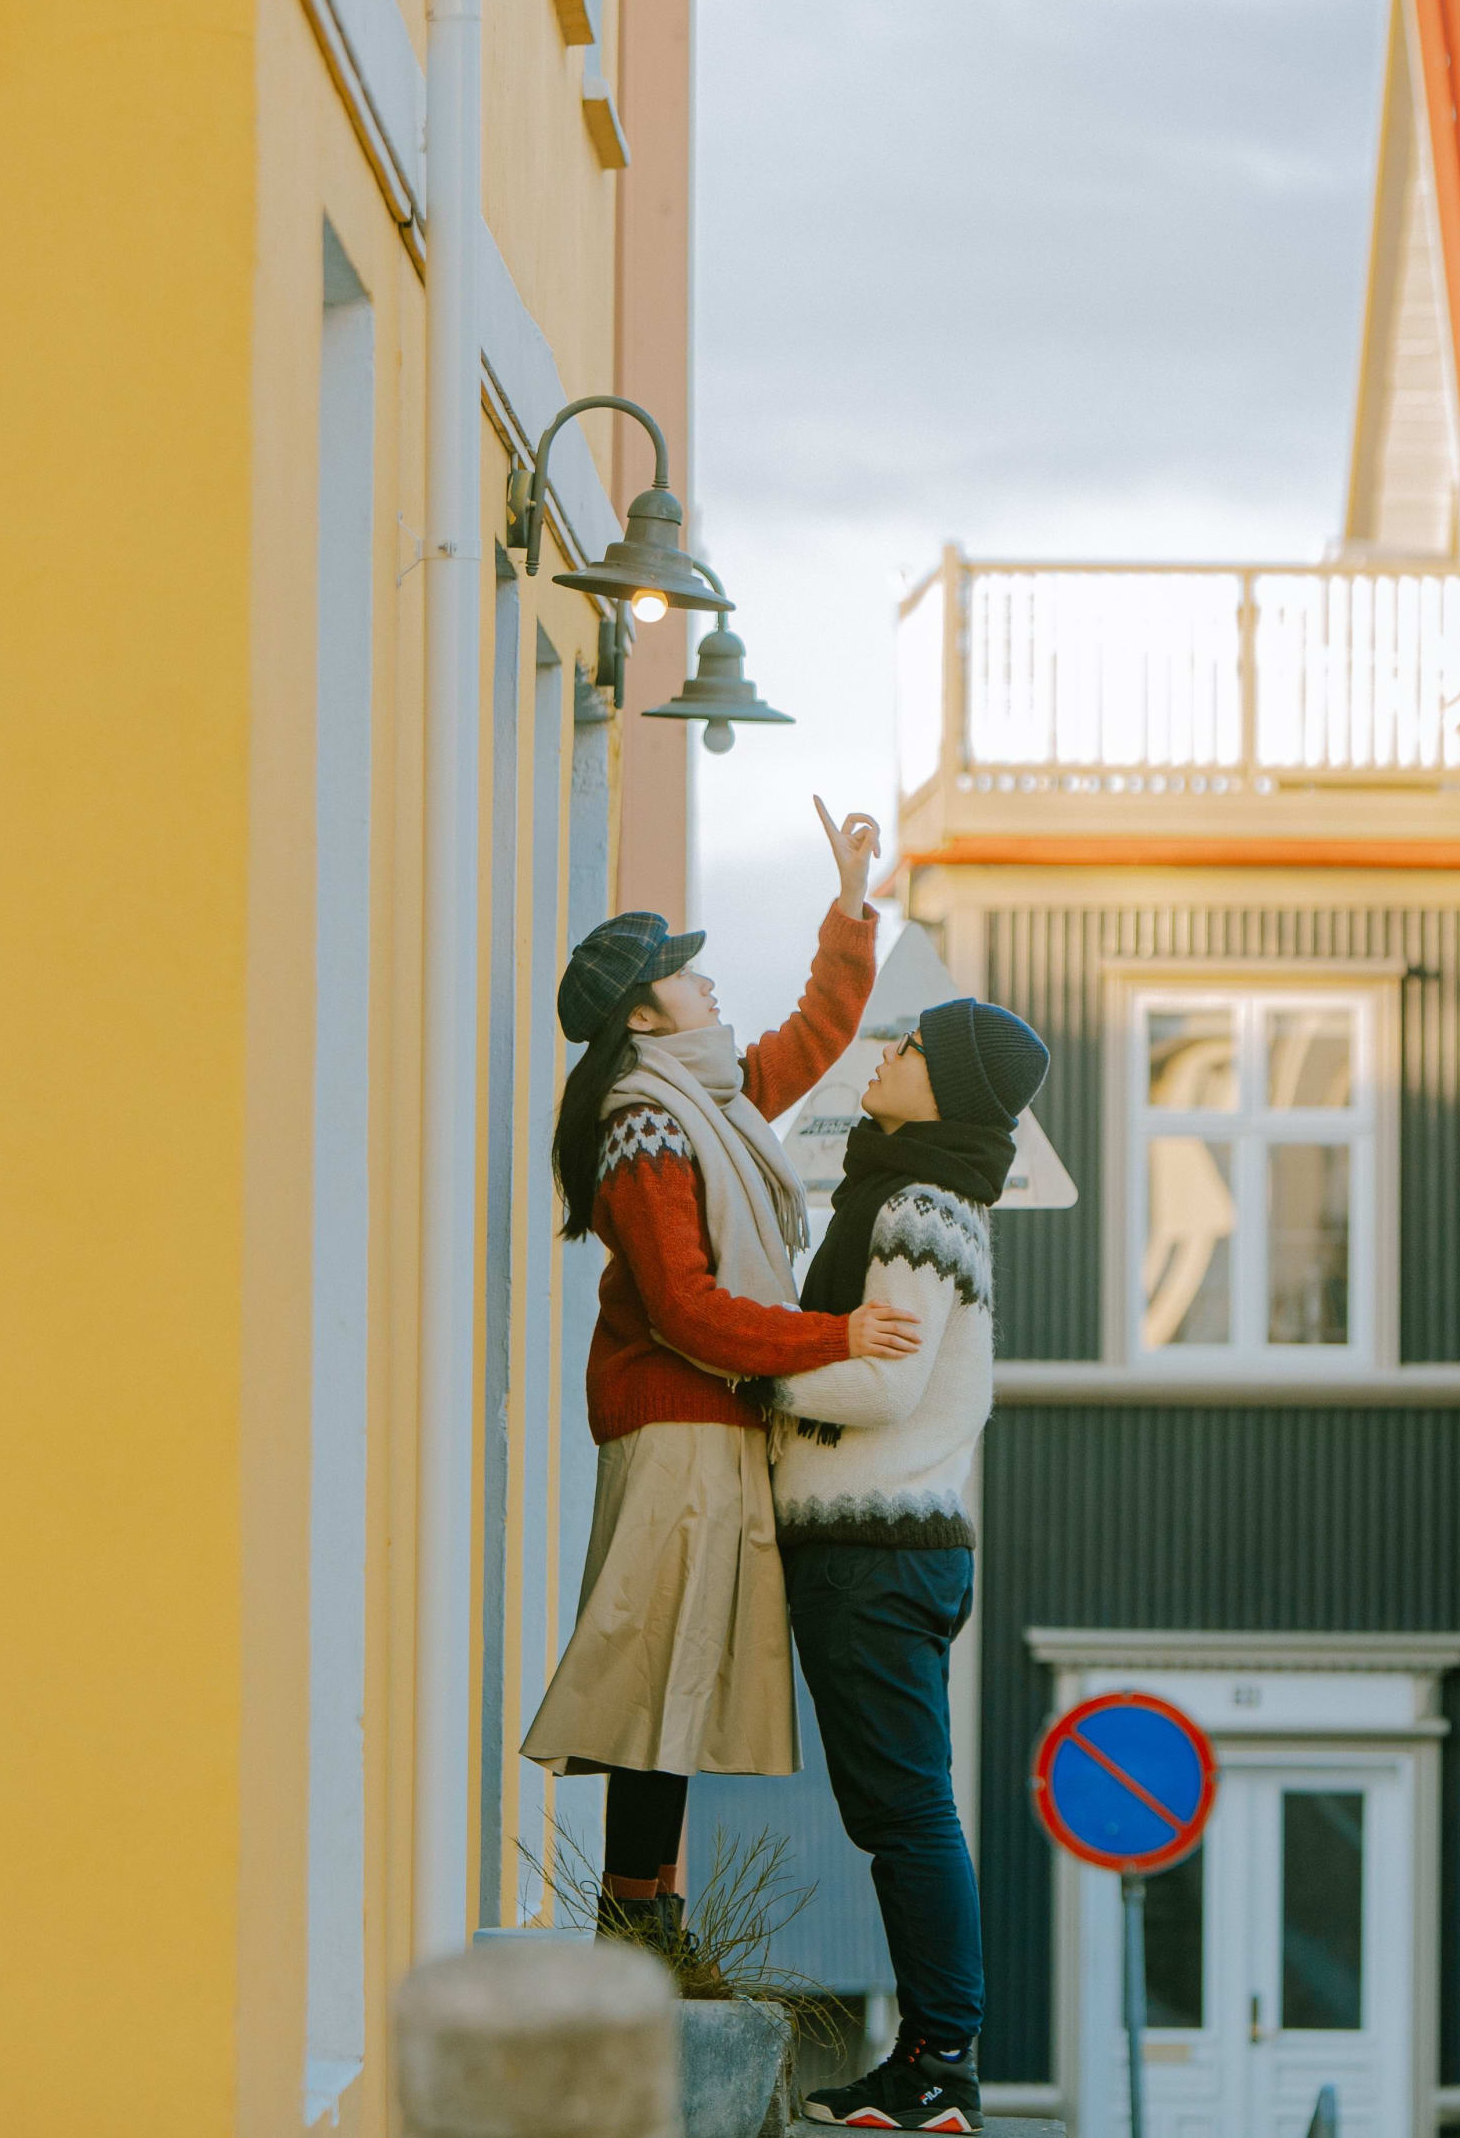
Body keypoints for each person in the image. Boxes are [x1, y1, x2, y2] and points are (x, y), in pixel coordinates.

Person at [519, 797, 917, 1934]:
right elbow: (690, 1311)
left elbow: (811, 1035)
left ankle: (645, 1915)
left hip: (710, 1424)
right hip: (681, 1422)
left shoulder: (705, 1096)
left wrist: (848, 904)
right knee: (660, 1677)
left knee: (674, 1675)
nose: (707, 983)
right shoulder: (651, 1123)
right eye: (686, 977)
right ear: (646, 1013)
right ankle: (637, 1919)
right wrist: (835, 1335)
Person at [769, 997, 1048, 2137]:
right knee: (900, 1808)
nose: (887, 1053)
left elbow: (880, 1383)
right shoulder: (917, 1195)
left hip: (876, 1548)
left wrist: (757, 1371)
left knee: (909, 1811)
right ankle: (929, 2060)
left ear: (952, 1089)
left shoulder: (920, 1208)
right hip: (881, 1548)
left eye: (914, 1046)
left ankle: (942, 2064)